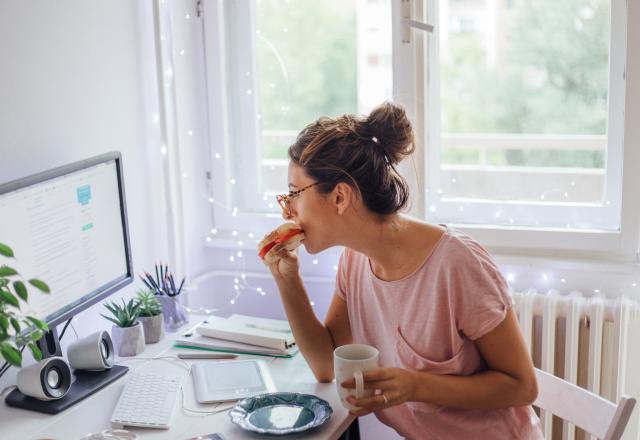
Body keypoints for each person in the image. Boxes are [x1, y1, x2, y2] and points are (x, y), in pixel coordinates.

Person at [262, 102, 543, 439]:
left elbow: (522, 386)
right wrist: (286, 278)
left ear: (340, 197)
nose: (286, 210)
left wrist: (416, 386)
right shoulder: (355, 261)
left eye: (294, 193)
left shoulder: (457, 264)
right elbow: (325, 366)